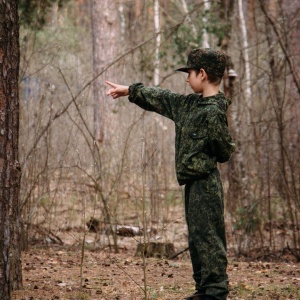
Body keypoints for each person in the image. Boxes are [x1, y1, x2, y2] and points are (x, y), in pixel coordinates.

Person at [105, 48, 235, 300]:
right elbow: (162, 98)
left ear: (203, 74)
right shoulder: (188, 105)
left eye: (190, 73)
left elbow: (224, 151)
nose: (187, 78)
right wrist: (130, 90)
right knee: (196, 236)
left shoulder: (214, 112)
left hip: (206, 184)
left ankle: (215, 292)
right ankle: (203, 290)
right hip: (191, 185)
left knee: (209, 236)